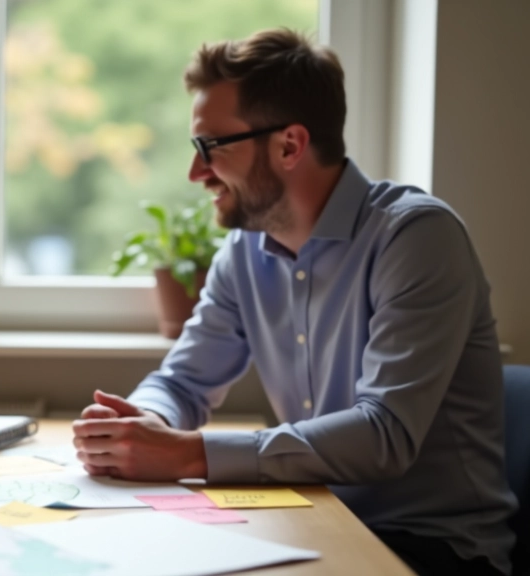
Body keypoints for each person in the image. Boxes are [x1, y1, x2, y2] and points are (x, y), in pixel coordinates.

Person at [72, 29, 516, 576]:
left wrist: (188, 454)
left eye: (211, 148)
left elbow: (384, 435)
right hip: (314, 521)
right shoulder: (245, 251)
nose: (196, 172)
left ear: (289, 145)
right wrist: (139, 423)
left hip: (435, 550)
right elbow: (183, 382)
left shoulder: (416, 237)